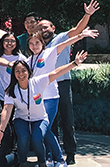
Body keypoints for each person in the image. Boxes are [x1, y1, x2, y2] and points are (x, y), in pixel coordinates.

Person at [0, 52, 88, 167]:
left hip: (40, 118)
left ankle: (42, 162)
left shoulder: (38, 82)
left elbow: (56, 72)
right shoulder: (11, 90)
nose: (21, 74)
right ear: (13, 74)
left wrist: (74, 63)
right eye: (17, 71)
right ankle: (22, 162)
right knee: (23, 138)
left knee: (37, 137)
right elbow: (6, 110)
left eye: (23, 70)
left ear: (29, 72)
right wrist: (1, 130)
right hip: (21, 118)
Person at [24, 28, 97, 166]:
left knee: (43, 129)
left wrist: (81, 35)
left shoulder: (49, 53)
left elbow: (66, 43)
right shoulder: (29, 60)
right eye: (31, 43)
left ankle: (58, 159)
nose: (34, 46)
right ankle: (49, 158)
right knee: (45, 130)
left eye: (37, 42)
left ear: (42, 43)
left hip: (51, 97)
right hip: (37, 100)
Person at [42, 0, 100, 165]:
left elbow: (77, 30)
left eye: (46, 27)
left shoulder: (61, 38)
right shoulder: (38, 45)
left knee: (67, 119)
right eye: (40, 28)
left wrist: (87, 14)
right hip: (47, 87)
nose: (43, 30)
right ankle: (53, 153)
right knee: (50, 122)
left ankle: (71, 152)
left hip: (62, 84)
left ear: (53, 28)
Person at [0, 32, 26, 100]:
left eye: (13, 41)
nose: (10, 43)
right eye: (7, 40)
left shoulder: (21, 58)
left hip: (16, 96)